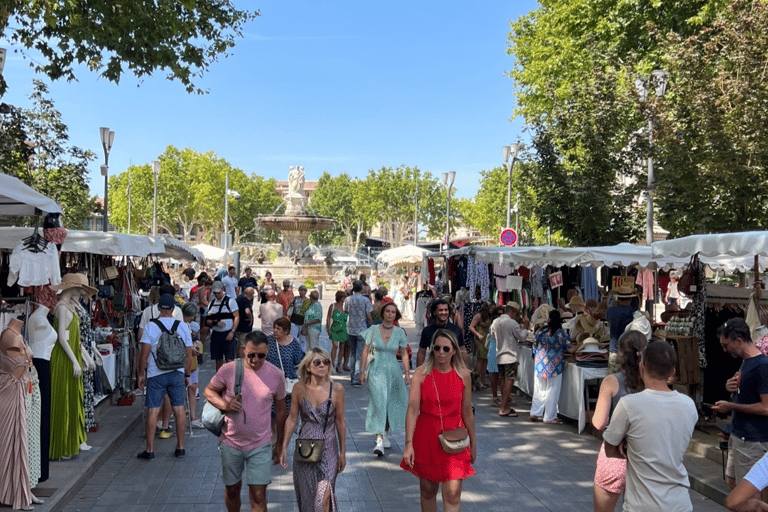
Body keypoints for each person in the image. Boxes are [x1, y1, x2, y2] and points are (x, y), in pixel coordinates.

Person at [603, 340, 697, 511]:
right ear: (672, 372)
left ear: (641, 368)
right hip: (679, 504)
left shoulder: (629, 404)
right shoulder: (689, 405)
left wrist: (627, 444)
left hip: (642, 505)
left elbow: (609, 449)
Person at [204, 331, 287, 512]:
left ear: (268, 352)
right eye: (251, 355)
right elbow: (209, 391)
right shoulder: (229, 369)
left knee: (258, 494)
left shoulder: (276, 375)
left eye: (261, 355)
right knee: (232, 490)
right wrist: (225, 404)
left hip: (261, 445)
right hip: (230, 443)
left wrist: (280, 443)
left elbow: (281, 410)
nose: (256, 359)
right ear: (243, 350)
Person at [401, 329, 476, 512]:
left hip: (455, 437)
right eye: (436, 348)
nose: (441, 352)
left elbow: (467, 412)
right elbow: (412, 410)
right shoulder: (421, 374)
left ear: (454, 351)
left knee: (453, 492)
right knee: (428, 490)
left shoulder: (463, 374)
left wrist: (473, 443)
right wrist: (408, 444)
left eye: (445, 348)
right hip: (426, 435)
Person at [280, 348, 346, 512]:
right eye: (317, 362)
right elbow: (292, 418)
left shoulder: (336, 389)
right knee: (308, 498)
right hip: (306, 447)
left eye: (326, 362)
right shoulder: (299, 388)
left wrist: (343, 452)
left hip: (329, 447)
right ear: (308, 367)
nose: (322, 365)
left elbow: (340, 421)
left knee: (323, 498)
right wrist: (283, 447)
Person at [591, 330, 647, 512]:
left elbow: (599, 422)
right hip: (644, 457)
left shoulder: (611, 382)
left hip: (614, 455)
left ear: (620, 354)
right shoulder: (653, 384)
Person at [711, 318, 768, 491]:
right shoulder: (747, 362)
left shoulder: (761, 366)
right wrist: (731, 388)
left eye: (726, 344)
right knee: (732, 482)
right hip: (739, 436)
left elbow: (765, 408)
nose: (724, 349)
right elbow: (747, 394)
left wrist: (731, 406)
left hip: (753, 441)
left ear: (739, 341)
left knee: (748, 494)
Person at [137, 294, 194, 460]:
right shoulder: (183, 326)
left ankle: (149, 450)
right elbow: (188, 353)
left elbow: (144, 353)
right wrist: (187, 373)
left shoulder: (150, 326)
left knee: (153, 410)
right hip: (177, 373)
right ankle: (180, 447)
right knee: (179, 409)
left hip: (156, 373)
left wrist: (141, 373)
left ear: (159, 309)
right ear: (173, 309)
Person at [360, 301, 411, 455]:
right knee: (378, 402)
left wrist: (407, 372)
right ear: (382, 313)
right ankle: (379, 440)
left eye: (393, 312)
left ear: (396, 315)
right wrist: (362, 371)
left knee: (390, 404)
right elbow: (365, 351)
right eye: (387, 311)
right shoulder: (373, 330)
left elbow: (404, 353)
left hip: (393, 372)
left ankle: (385, 434)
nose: (390, 314)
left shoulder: (400, 332)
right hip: (376, 371)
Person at [530, 309, 574, 423]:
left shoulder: (540, 332)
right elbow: (571, 348)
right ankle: (548, 417)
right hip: (554, 366)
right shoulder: (561, 333)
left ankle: (535, 412)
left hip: (540, 365)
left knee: (539, 389)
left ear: (548, 320)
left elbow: (534, 348)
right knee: (552, 390)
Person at [490, 301, 530, 417]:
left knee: (503, 380)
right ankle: (503, 408)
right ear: (513, 313)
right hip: (510, 356)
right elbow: (522, 337)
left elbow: (493, 336)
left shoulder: (496, 321)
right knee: (508, 382)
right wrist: (526, 328)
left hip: (500, 355)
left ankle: (505, 405)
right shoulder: (512, 323)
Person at [416, 298, 466, 367]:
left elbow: (462, 351)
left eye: (446, 310)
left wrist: (465, 371)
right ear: (434, 312)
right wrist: (418, 372)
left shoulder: (456, 330)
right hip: (433, 369)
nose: (444, 312)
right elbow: (421, 352)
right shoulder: (427, 331)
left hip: (453, 370)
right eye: (440, 310)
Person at [344, 280, 373, 387]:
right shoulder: (365, 300)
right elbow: (369, 316)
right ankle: (356, 378)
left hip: (350, 328)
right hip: (362, 329)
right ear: (361, 289)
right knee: (359, 354)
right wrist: (370, 326)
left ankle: (353, 376)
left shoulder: (348, 299)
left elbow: (346, 311)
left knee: (353, 353)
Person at [206, 281, 239, 371]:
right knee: (218, 360)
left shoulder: (230, 301)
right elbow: (208, 321)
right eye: (215, 293)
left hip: (228, 333)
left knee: (229, 360)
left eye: (218, 292)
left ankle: (231, 380)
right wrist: (216, 323)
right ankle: (219, 380)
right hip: (216, 334)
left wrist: (232, 332)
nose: (217, 295)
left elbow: (236, 317)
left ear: (223, 289)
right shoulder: (212, 303)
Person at [605, 285, 638, 374]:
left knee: (613, 381)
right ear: (630, 299)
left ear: (618, 299)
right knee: (629, 382)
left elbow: (608, 309)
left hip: (614, 351)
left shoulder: (611, 311)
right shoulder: (633, 312)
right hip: (629, 351)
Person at [469, 301, 494, 388]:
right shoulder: (479, 315)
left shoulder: (490, 316)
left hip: (487, 339)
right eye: (491, 308)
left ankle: (483, 381)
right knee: (480, 360)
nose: (492, 310)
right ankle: (476, 380)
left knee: (485, 360)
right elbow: (471, 326)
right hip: (480, 339)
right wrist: (478, 334)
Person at [485, 305, 505, 407]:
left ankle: (504, 397)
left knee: (502, 375)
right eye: (498, 314)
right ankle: (495, 397)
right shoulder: (494, 324)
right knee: (494, 375)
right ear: (494, 315)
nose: (500, 316)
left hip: (500, 351)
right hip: (494, 351)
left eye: (502, 314)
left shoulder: (501, 323)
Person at [327, 290, 349, 373]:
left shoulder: (345, 307)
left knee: (342, 347)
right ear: (340, 297)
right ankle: (332, 364)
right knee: (335, 346)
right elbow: (328, 317)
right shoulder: (332, 306)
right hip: (334, 328)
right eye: (344, 297)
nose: (345, 298)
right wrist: (328, 328)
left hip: (343, 329)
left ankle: (339, 364)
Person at [235, 286, 256, 359]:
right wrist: (250, 318)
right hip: (244, 327)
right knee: (243, 345)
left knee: (239, 344)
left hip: (238, 325)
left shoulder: (239, 298)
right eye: (253, 293)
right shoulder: (246, 300)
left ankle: (238, 360)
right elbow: (247, 311)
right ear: (251, 294)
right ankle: (241, 361)